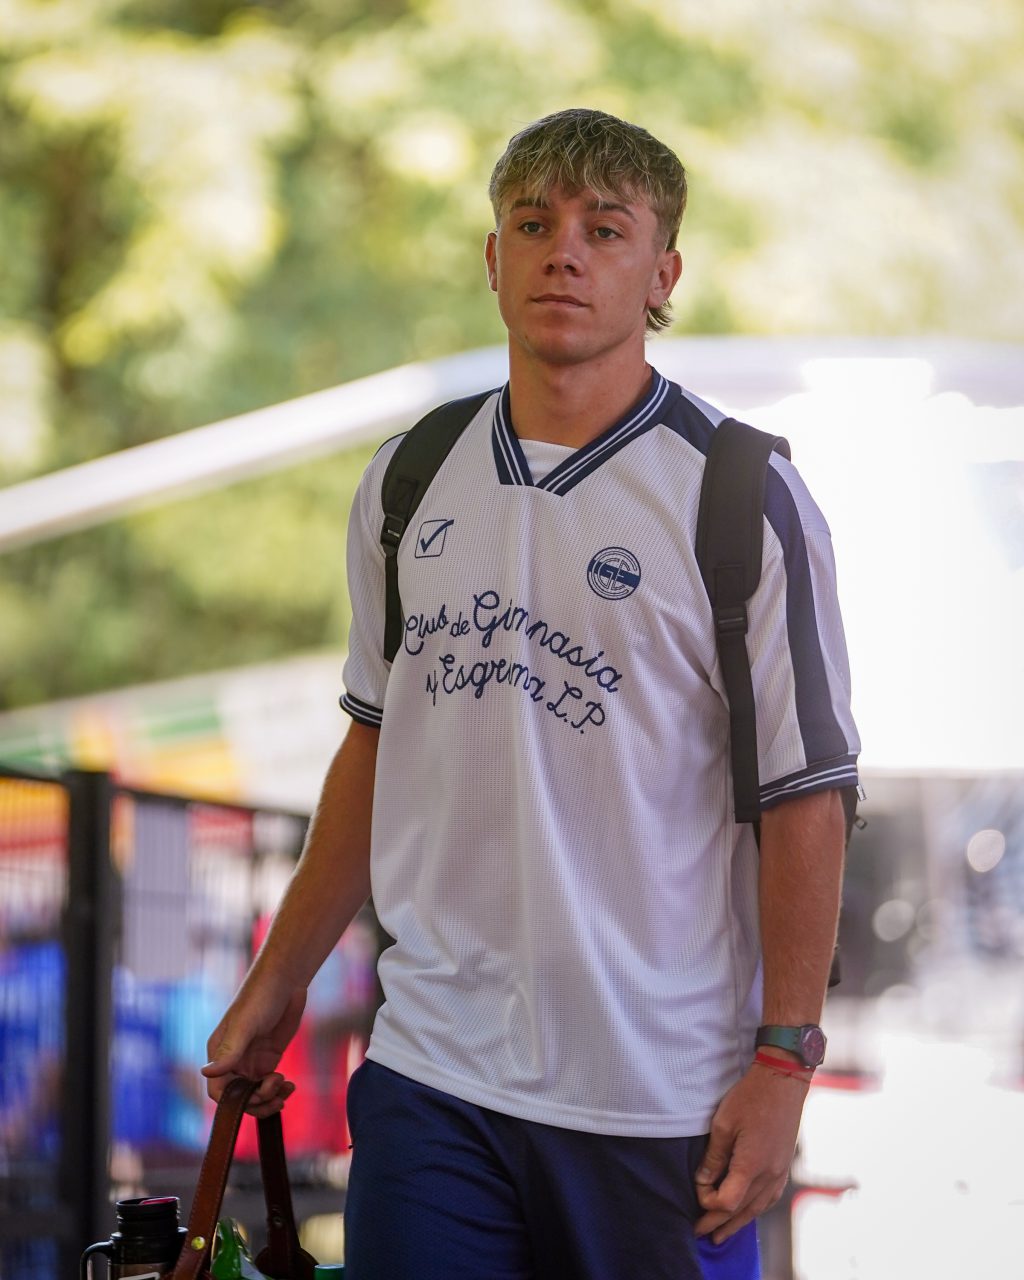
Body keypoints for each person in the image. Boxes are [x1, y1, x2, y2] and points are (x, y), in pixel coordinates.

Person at [204, 108, 859, 1280]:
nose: (564, 253)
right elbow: (377, 743)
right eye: (532, 223)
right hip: (433, 1075)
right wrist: (278, 975)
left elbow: (808, 794)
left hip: (660, 1096)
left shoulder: (739, 495)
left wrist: (783, 1060)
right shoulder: (410, 478)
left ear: (661, 273)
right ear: (491, 257)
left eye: (604, 229)